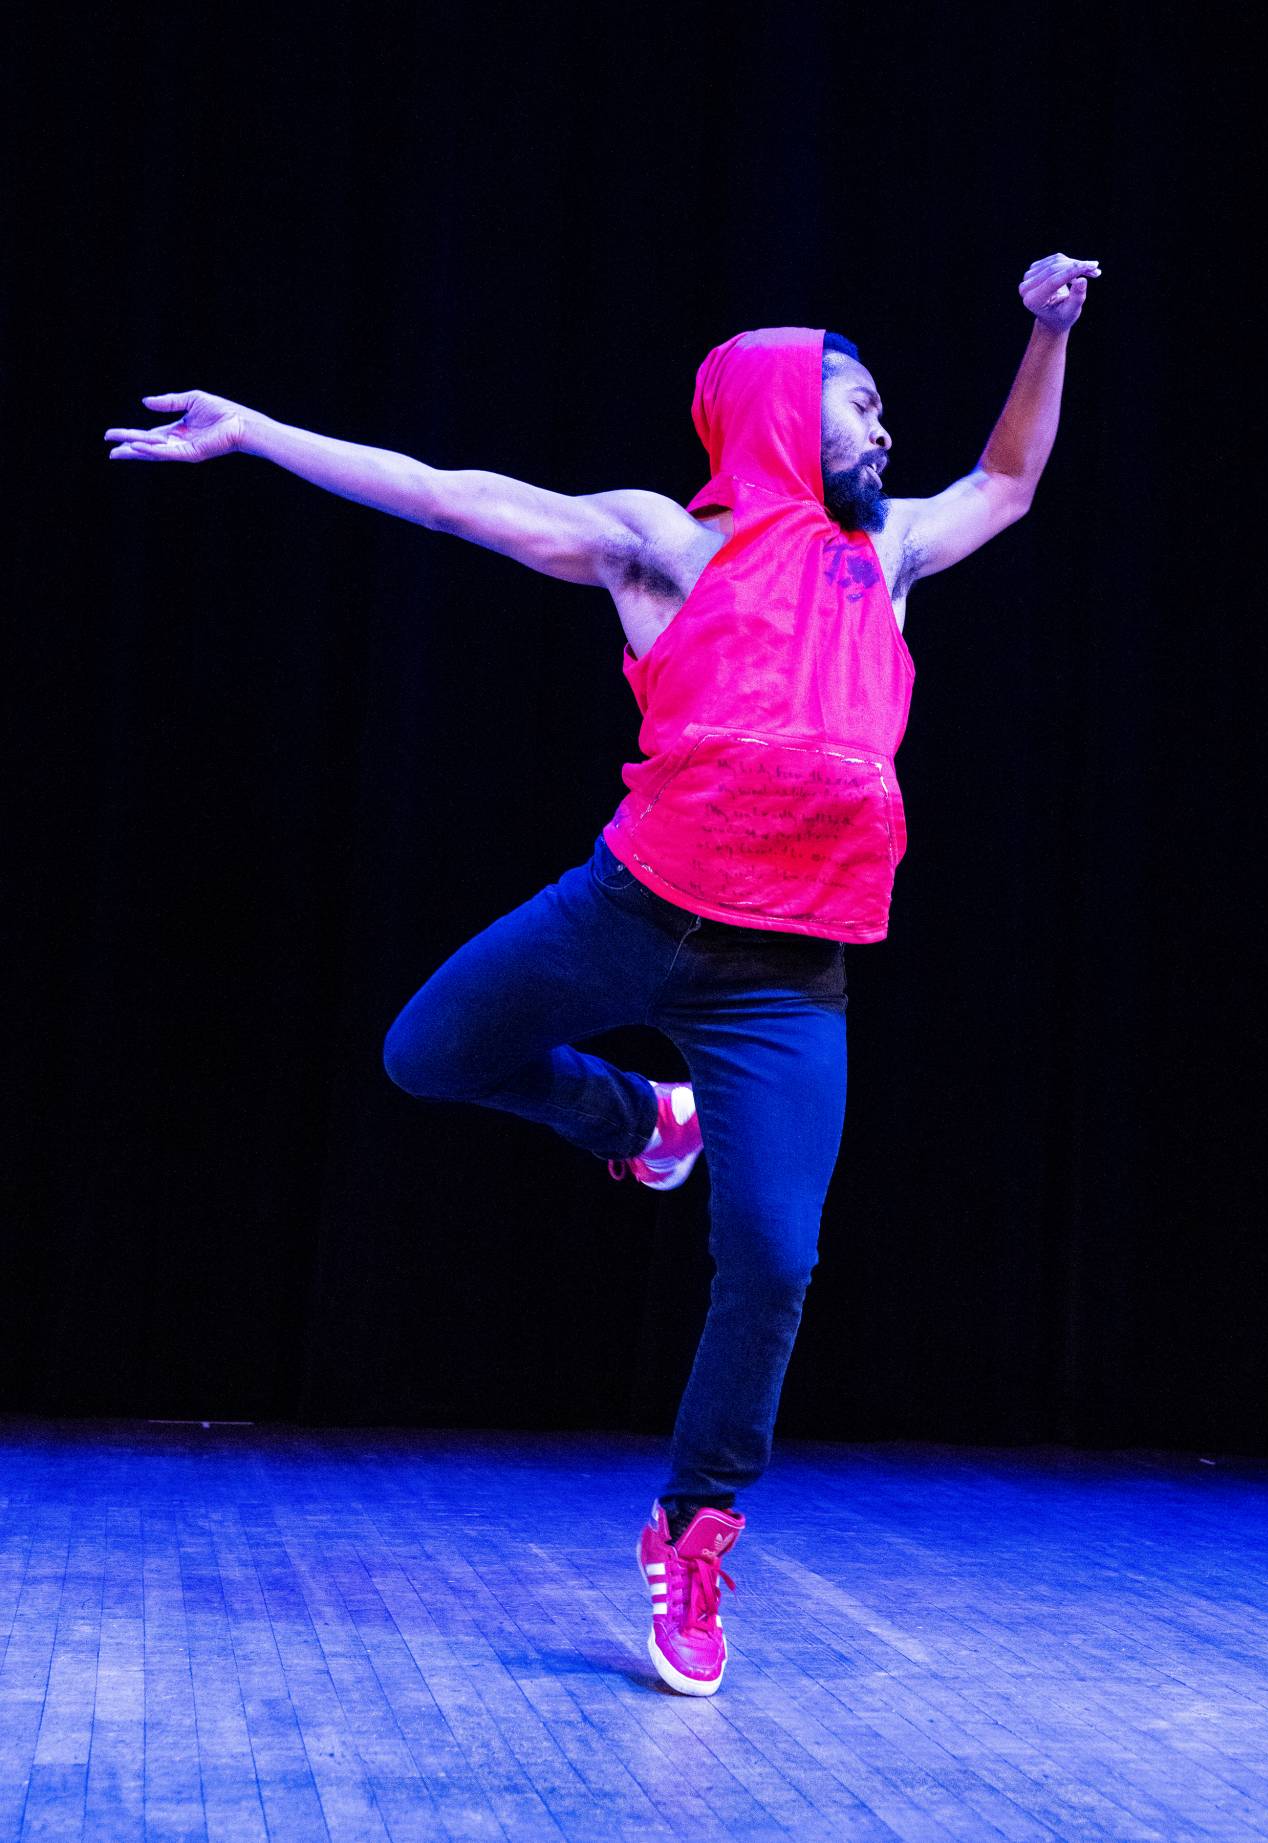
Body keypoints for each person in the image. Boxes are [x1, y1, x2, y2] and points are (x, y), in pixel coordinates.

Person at [104, 251, 1100, 1695]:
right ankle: (640, 1122)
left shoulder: (881, 556)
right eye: (859, 407)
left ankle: (693, 1531)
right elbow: (453, 493)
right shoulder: (664, 547)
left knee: (771, 1256)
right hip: (629, 912)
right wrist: (256, 430)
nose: (887, 433)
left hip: (783, 978)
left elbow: (1004, 484)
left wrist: (1042, 331)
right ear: (772, 414)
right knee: (426, 1053)